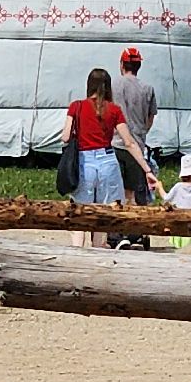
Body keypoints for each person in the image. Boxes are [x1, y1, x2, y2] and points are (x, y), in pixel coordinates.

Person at [61, 67, 157, 247]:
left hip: (85, 163)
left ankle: (77, 255)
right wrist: (147, 170)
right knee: (102, 216)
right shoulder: (114, 110)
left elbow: (65, 136)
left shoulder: (76, 106)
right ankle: (99, 255)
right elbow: (129, 142)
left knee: (80, 215)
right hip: (108, 162)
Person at [112, 46, 158, 205]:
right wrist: (141, 132)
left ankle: (115, 227)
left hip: (115, 144)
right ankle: (130, 228)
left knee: (115, 191)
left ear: (122, 64)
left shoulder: (113, 85)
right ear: (139, 66)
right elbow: (150, 118)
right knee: (132, 193)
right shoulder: (148, 89)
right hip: (137, 146)